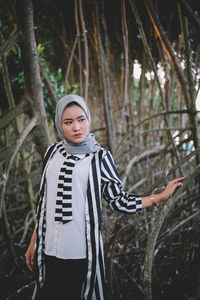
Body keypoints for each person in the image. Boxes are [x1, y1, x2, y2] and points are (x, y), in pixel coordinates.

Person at [25, 94, 184, 300]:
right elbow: (45, 202)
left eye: (81, 120)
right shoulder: (52, 152)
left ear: (88, 120)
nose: (76, 127)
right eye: (68, 122)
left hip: (79, 252)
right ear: (59, 124)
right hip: (48, 248)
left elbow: (120, 202)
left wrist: (160, 197)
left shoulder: (100, 158)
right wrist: (33, 241)